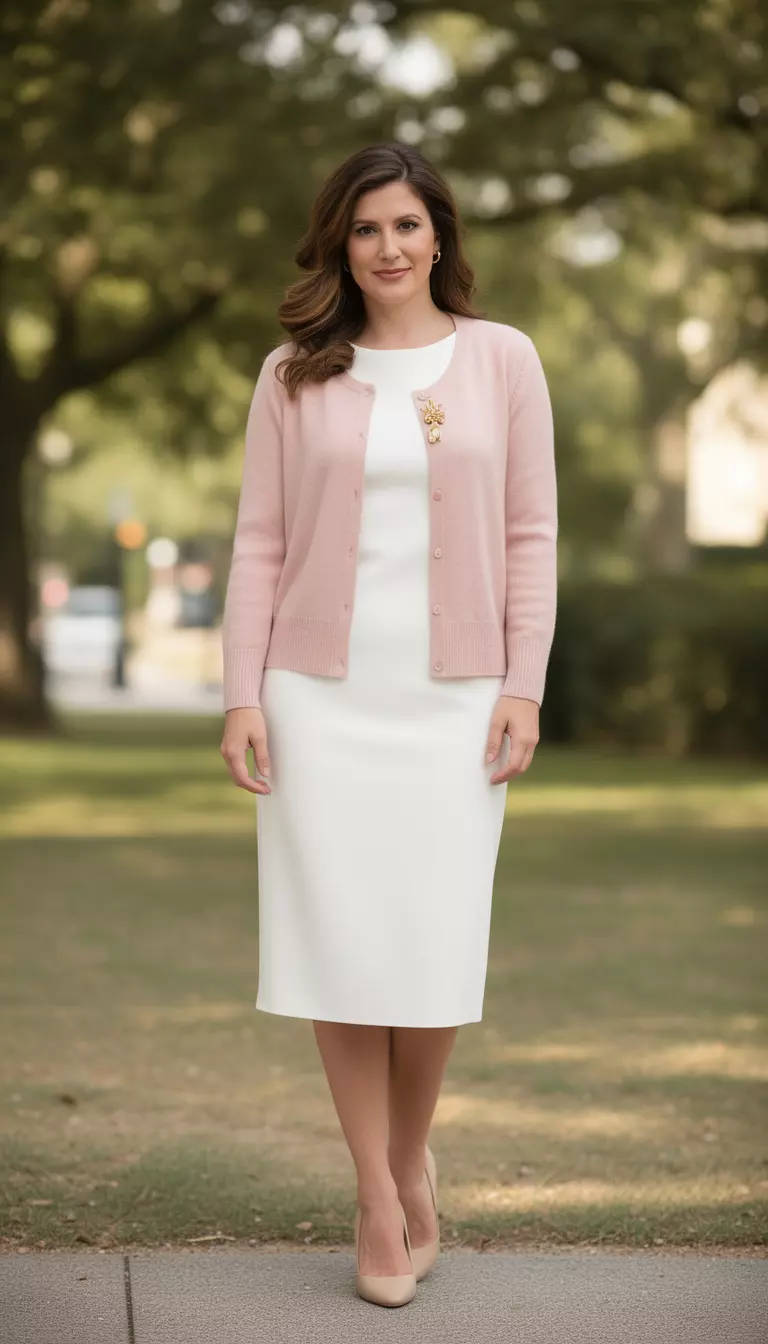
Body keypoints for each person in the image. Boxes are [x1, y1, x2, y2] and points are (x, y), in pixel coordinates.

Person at [220, 141, 558, 1308]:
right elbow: (258, 542)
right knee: (340, 943)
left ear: (440, 237)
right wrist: (241, 693)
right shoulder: (290, 375)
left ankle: (413, 1152)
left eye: (408, 225)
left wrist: (524, 683)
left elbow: (531, 535)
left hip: (457, 699)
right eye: (367, 230)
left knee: (432, 945)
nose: (389, 247)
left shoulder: (504, 360)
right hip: (320, 696)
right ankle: (375, 1189)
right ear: (341, 246)